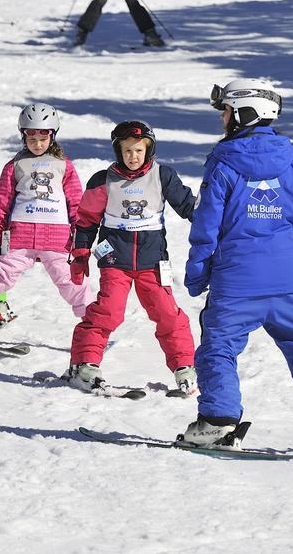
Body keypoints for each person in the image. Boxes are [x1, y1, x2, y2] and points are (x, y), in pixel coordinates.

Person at [181, 79, 293, 452]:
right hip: (289, 278)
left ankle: (217, 422)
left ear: (245, 115)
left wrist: (198, 272)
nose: (222, 118)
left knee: (219, 348)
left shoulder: (224, 162)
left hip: (237, 282)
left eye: (227, 111)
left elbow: (207, 225)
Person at [64, 120, 197, 395]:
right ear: (117, 151)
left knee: (167, 313)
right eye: (126, 150)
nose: (133, 157)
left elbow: (188, 207)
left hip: (152, 261)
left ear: (148, 150)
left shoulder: (163, 176)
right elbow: (86, 220)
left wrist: (215, 218)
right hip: (115, 259)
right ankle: (84, 364)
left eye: (138, 150)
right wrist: (80, 253)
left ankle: (184, 365)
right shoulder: (104, 180)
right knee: (108, 311)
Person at [0, 103, 90, 337]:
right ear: (23, 135)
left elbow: (76, 204)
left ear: (52, 136)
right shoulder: (14, 166)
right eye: (31, 137)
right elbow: (2, 204)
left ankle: (92, 325)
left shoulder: (64, 167)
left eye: (43, 137)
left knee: (72, 279)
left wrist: (82, 237)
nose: (37, 143)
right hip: (19, 235)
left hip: (57, 238)